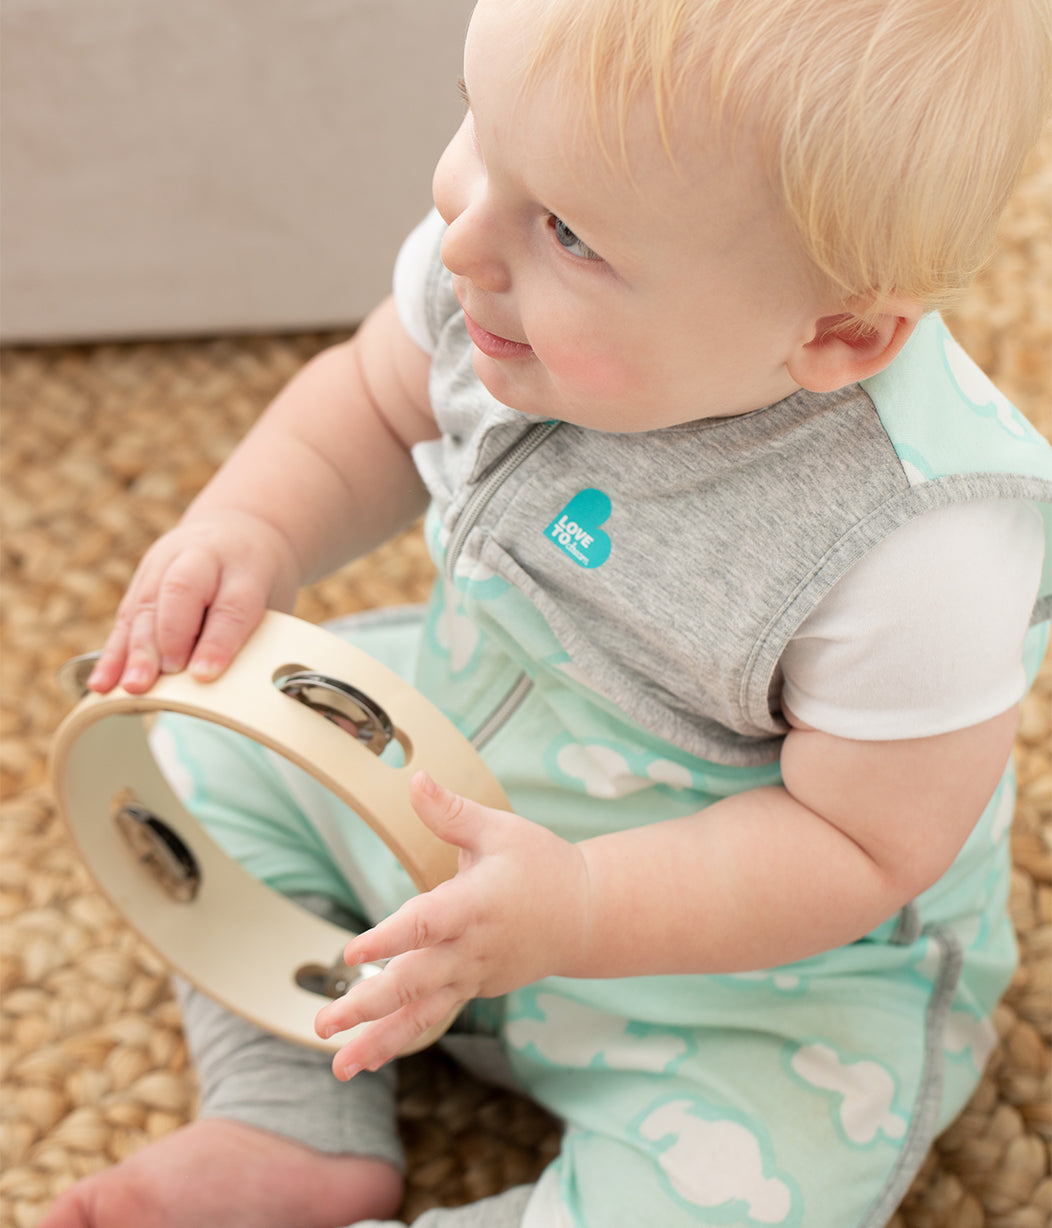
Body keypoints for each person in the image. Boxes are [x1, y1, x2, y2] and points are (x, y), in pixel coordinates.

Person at [43, 0, 1052, 1225]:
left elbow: (861, 847)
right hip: (436, 782)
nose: (462, 232)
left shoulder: (918, 542)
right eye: (477, 122)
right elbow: (367, 401)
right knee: (192, 748)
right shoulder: (490, 269)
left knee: (748, 1184)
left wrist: (574, 906)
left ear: (836, 330)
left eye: (567, 228)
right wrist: (246, 528)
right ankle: (288, 1116)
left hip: (742, 981)